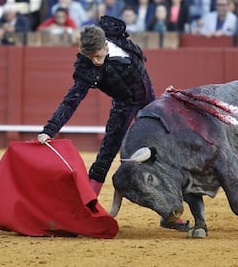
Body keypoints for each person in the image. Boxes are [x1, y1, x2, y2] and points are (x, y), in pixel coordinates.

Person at [37, 16, 190, 231]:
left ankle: (170, 213)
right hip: (124, 105)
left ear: (106, 43)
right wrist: (50, 129)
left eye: (98, 56)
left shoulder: (112, 31)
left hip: (148, 98)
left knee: (165, 150)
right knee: (106, 155)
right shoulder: (86, 66)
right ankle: (83, 212)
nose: (96, 62)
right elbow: (72, 100)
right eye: (90, 58)